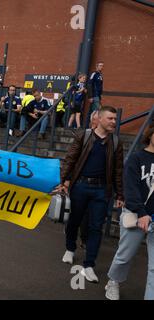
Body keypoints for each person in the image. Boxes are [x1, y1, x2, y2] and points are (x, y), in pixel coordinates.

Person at [54, 105, 124, 283]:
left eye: (115, 119)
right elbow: (71, 159)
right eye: (110, 119)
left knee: (95, 227)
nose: (113, 122)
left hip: (102, 190)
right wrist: (63, 181)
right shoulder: (83, 136)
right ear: (99, 119)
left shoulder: (116, 142)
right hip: (81, 186)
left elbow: (118, 170)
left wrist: (120, 195)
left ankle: (89, 265)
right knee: (75, 220)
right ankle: (70, 249)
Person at [105, 126, 154, 300]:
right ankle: (113, 281)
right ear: (150, 134)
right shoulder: (136, 158)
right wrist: (141, 212)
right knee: (124, 256)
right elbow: (130, 189)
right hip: (136, 214)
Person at [85, 61, 104, 128]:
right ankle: (93, 126)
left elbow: (100, 86)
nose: (101, 67)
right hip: (94, 95)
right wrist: (90, 96)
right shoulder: (94, 74)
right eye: (100, 65)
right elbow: (89, 85)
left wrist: (100, 95)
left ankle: (88, 126)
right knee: (99, 110)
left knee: (93, 111)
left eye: (102, 66)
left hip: (98, 96)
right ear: (97, 66)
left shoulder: (100, 75)